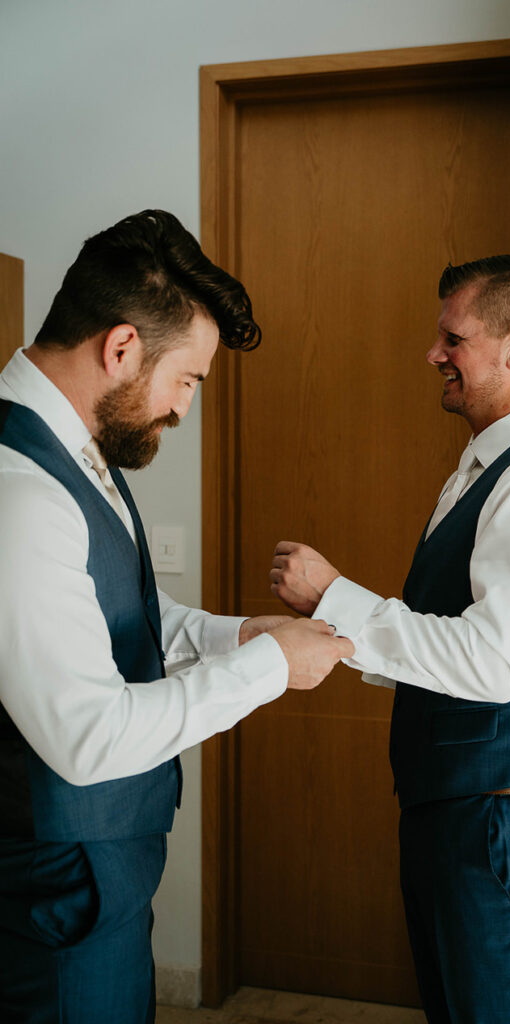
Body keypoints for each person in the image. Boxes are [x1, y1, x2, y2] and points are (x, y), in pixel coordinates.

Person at [0, 209, 353, 1023]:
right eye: (187, 380)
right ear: (121, 348)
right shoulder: (21, 494)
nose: (185, 410)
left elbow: (119, 611)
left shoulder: (76, 449)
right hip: (51, 898)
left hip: (98, 878)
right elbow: (85, 737)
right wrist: (268, 670)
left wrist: (236, 636)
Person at [270, 255, 510, 1024]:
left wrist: (336, 595)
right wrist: (329, 634)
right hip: (462, 810)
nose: (433, 354)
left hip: (505, 823)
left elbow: (491, 665)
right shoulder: (483, 471)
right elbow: (457, 640)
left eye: (451, 337)